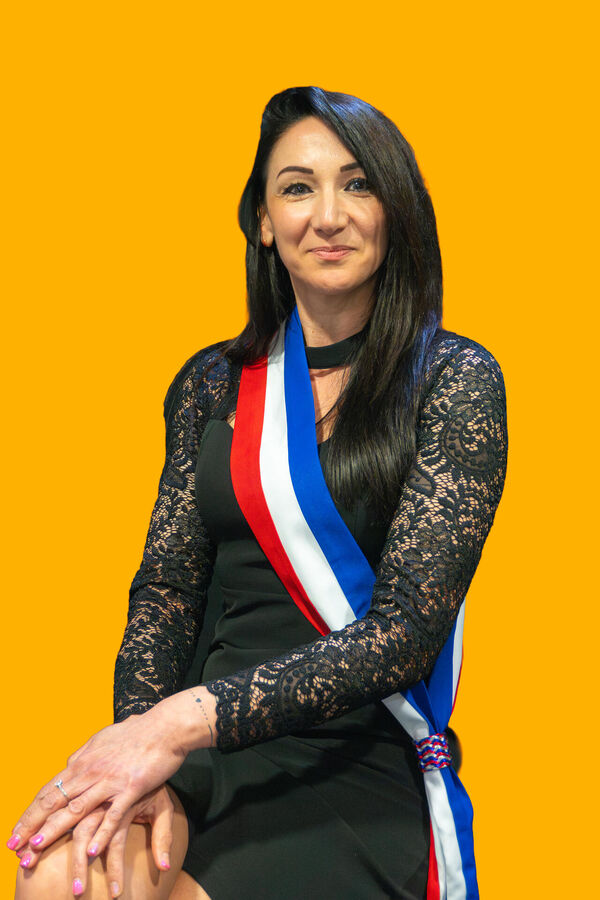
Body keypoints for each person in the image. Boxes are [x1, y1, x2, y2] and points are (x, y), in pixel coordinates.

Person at [10, 86, 508, 900]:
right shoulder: (212, 382)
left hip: (355, 755)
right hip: (201, 754)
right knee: (62, 877)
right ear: (265, 222)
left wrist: (176, 725)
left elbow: (405, 636)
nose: (329, 216)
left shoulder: (454, 379)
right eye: (298, 188)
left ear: (394, 210)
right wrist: (146, 754)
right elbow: (168, 592)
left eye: (358, 184)